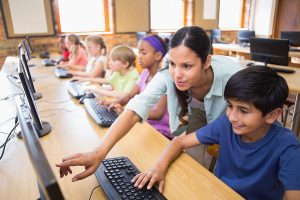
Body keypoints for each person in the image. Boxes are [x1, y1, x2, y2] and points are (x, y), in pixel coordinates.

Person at [56, 26, 241, 181]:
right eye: (174, 64)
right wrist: (99, 151)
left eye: (187, 66)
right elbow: (137, 106)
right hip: (197, 113)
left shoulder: (233, 76)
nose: (177, 74)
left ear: (207, 61)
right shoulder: (168, 73)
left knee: (224, 166)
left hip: (235, 130)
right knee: (192, 170)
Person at [132, 66, 300, 199]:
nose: (232, 116)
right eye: (230, 106)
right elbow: (179, 142)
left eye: (243, 110)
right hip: (217, 194)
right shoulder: (226, 125)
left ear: (272, 115)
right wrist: (158, 169)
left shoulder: (288, 147)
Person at [106, 35, 172, 139]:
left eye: (143, 53)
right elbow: (129, 95)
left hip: (160, 132)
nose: (139, 56)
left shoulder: (164, 78)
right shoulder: (145, 73)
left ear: (158, 56)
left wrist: (127, 112)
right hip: (143, 123)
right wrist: (114, 103)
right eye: (139, 52)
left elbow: (158, 113)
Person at [74, 45, 139, 98]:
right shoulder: (118, 72)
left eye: (113, 60)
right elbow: (106, 80)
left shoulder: (133, 75)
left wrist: (100, 91)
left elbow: (124, 95)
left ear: (125, 64)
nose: (109, 63)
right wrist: (84, 79)